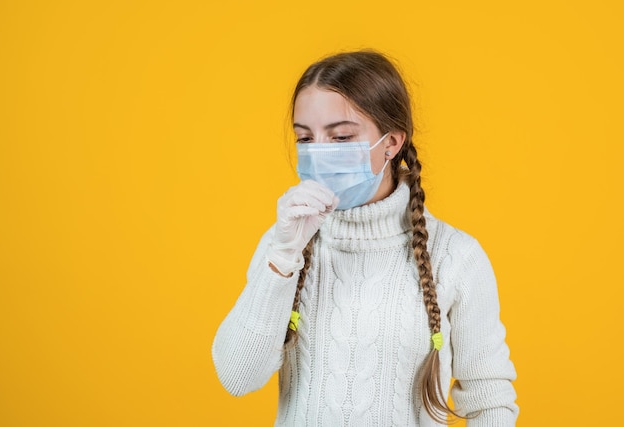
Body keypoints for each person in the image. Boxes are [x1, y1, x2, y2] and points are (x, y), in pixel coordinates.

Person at [212, 50, 519, 426]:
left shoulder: (454, 256)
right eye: (306, 139)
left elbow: (489, 399)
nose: (320, 154)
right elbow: (237, 377)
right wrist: (282, 257)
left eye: (341, 137)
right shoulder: (286, 244)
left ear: (391, 143)